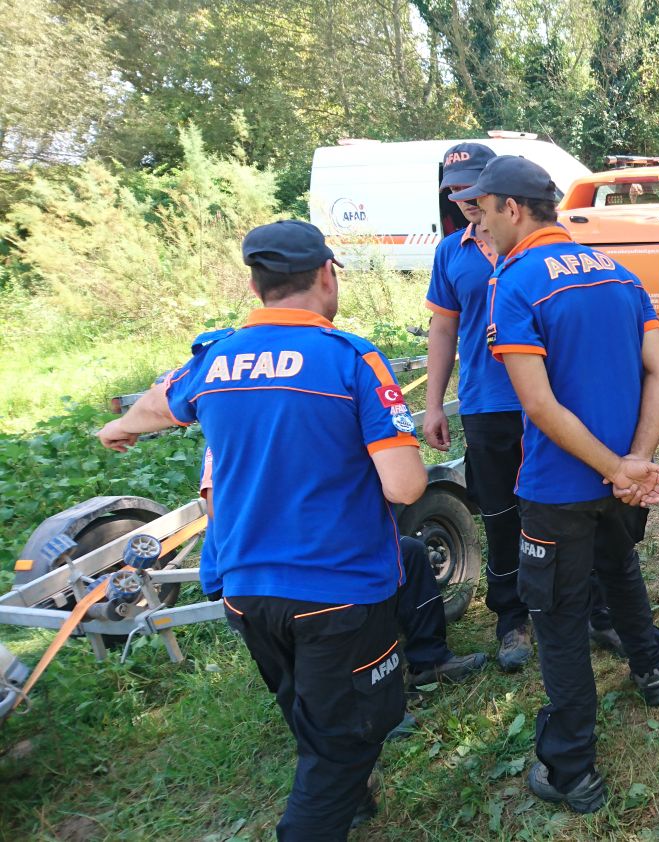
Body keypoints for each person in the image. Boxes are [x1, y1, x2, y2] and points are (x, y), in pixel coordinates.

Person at [98, 220, 428, 839]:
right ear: (327, 275)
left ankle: (351, 799)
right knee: (347, 740)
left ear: (256, 283)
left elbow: (156, 404)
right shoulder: (351, 359)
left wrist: (119, 430)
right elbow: (406, 486)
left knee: (306, 705)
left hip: (247, 591)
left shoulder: (216, 357)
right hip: (338, 590)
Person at [451, 156, 659, 814]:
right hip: (618, 478)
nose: (479, 223)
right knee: (620, 568)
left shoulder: (515, 282)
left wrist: (615, 467)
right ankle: (652, 669)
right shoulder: (617, 272)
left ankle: (572, 768)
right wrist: (633, 462)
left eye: (484, 210)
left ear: (512, 209)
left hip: (558, 487)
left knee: (557, 621)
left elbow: (541, 407)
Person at [422, 142, 625, 671]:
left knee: (581, 502)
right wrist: (433, 403)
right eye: (454, 187)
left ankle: (598, 610)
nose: (464, 197)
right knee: (499, 512)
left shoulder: (541, 248)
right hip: (489, 403)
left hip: (554, 403)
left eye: (473, 186)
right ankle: (512, 616)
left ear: (499, 195)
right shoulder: (451, 252)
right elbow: (443, 328)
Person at [199, 448, 486, 696]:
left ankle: (429, 660)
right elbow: (217, 505)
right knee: (349, 579)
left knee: (406, 552)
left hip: (306, 548)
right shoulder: (231, 423)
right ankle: (366, 701)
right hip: (259, 564)